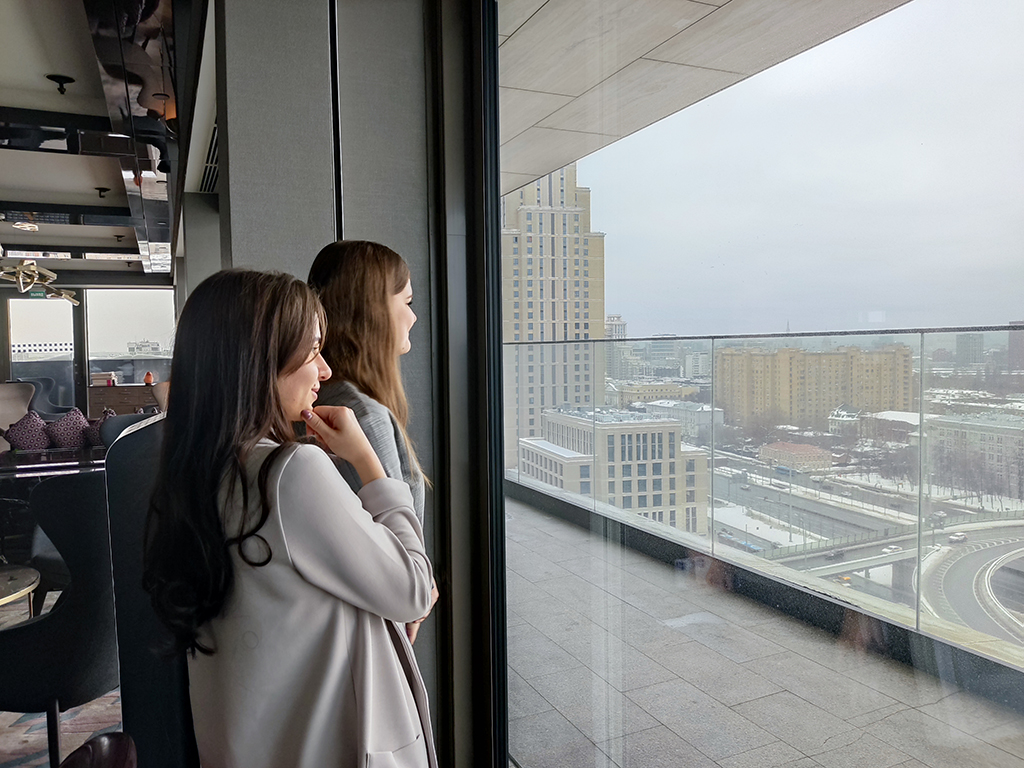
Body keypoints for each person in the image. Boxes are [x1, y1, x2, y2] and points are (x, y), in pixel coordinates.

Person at [143, 269, 436, 768]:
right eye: (313, 351)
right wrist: (367, 461)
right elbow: (413, 589)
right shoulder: (289, 472)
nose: (325, 370)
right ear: (259, 363)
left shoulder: (196, 473)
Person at [308, 241, 437, 644]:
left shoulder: (327, 399)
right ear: (373, 311)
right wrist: (420, 583)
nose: (413, 317)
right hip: (372, 628)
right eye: (407, 302)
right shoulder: (361, 415)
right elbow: (393, 560)